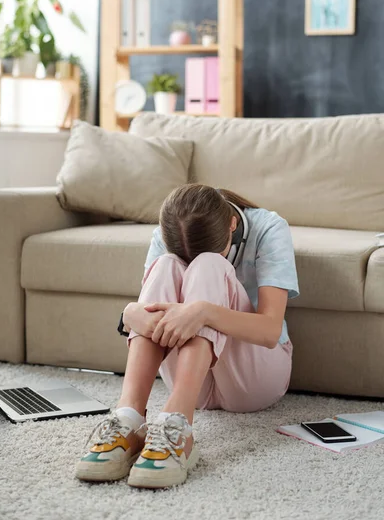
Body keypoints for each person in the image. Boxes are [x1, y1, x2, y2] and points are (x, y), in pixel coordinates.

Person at [75, 184, 299, 489]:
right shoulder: (166, 233)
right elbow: (152, 310)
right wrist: (130, 313)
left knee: (209, 264)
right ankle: (128, 417)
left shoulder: (269, 227)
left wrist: (203, 312)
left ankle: (178, 422)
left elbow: (270, 331)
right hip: (194, 379)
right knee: (167, 263)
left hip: (254, 378)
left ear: (232, 225)